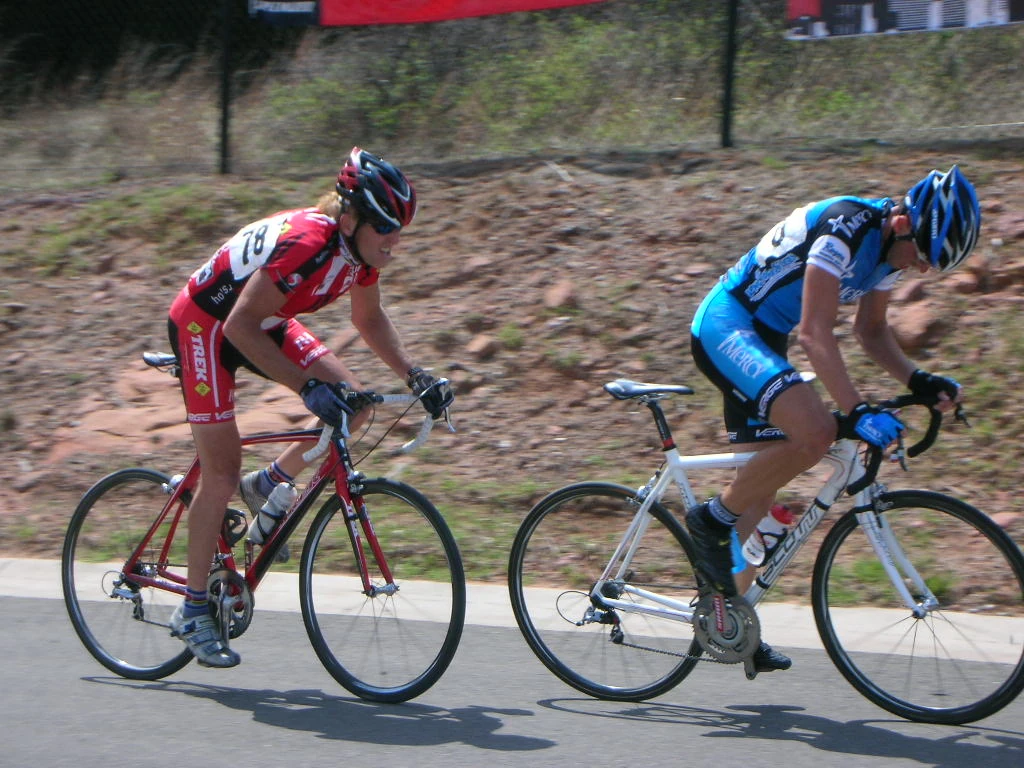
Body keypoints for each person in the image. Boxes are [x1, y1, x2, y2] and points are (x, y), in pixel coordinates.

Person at [686, 165, 981, 673]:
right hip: (727, 325)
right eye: (926, 256)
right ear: (907, 223)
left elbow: (871, 332)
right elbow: (816, 334)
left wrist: (918, 381)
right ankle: (709, 520)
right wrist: (857, 410)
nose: (924, 270)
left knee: (762, 498)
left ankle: (725, 622)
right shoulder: (846, 228)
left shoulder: (890, 258)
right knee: (818, 432)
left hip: (762, 340)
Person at [166, 147, 454, 667]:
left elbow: (369, 319)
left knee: (353, 405)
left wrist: (416, 376)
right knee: (221, 473)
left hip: (260, 319)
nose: (394, 241)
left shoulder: (358, 255)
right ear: (351, 217)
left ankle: (271, 480)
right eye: (386, 227)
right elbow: (236, 327)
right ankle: (191, 610)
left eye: (400, 229)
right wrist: (304, 387)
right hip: (206, 325)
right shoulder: (310, 243)